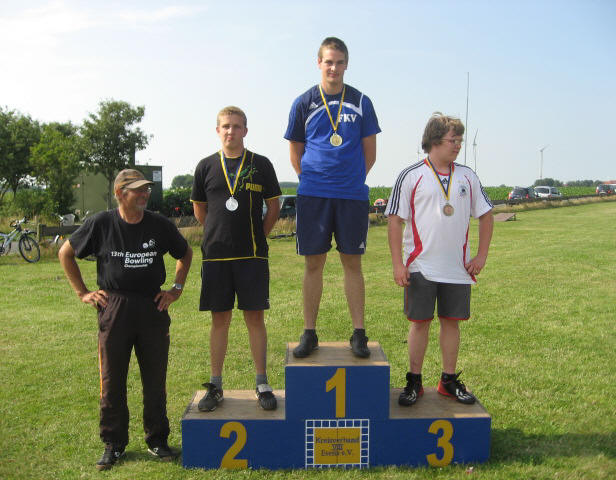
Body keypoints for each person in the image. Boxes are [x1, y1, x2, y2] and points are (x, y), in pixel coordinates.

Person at [58, 169, 193, 470]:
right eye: (137, 190)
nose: (144, 194)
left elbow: (185, 254)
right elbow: (66, 253)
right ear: (120, 193)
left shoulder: (159, 224)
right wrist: (82, 292)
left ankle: (157, 440)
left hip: (152, 306)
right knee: (112, 380)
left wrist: (175, 289)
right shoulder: (101, 223)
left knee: (155, 379)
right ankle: (114, 444)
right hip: (114, 306)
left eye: (146, 189)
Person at [385, 113, 494, 406]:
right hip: (421, 266)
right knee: (420, 323)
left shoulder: (468, 176)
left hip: (457, 268)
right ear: (434, 141)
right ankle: (414, 380)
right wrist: (398, 264)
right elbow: (394, 221)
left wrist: (481, 255)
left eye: (460, 140)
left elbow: (486, 215)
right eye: (452, 140)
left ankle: (448, 380)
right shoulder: (411, 175)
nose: (458, 145)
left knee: (451, 323)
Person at [284, 36, 381, 358]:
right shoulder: (303, 102)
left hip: (351, 196)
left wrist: (349, 179)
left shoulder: (362, 101)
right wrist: (314, 179)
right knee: (314, 264)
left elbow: (370, 154)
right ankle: (309, 332)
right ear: (319, 63)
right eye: (328, 62)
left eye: (339, 62)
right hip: (314, 195)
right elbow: (295, 152)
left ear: (346, 65)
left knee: (352, 263)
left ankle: (359, 333)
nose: (334, 68)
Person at [191, 106, 281, 412]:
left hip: (252, 255)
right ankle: (216, 385)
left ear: (245, 130)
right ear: (218, 130)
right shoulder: (205, 166)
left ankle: (262, 382)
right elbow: (200, 210)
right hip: (216, 257)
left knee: (255, 318)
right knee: (220, 320)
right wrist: (217, 233)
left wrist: (258, 235)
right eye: (226, 126)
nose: (231, 131)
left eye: (237, 126)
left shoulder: (261, 164)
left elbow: (273, 207)